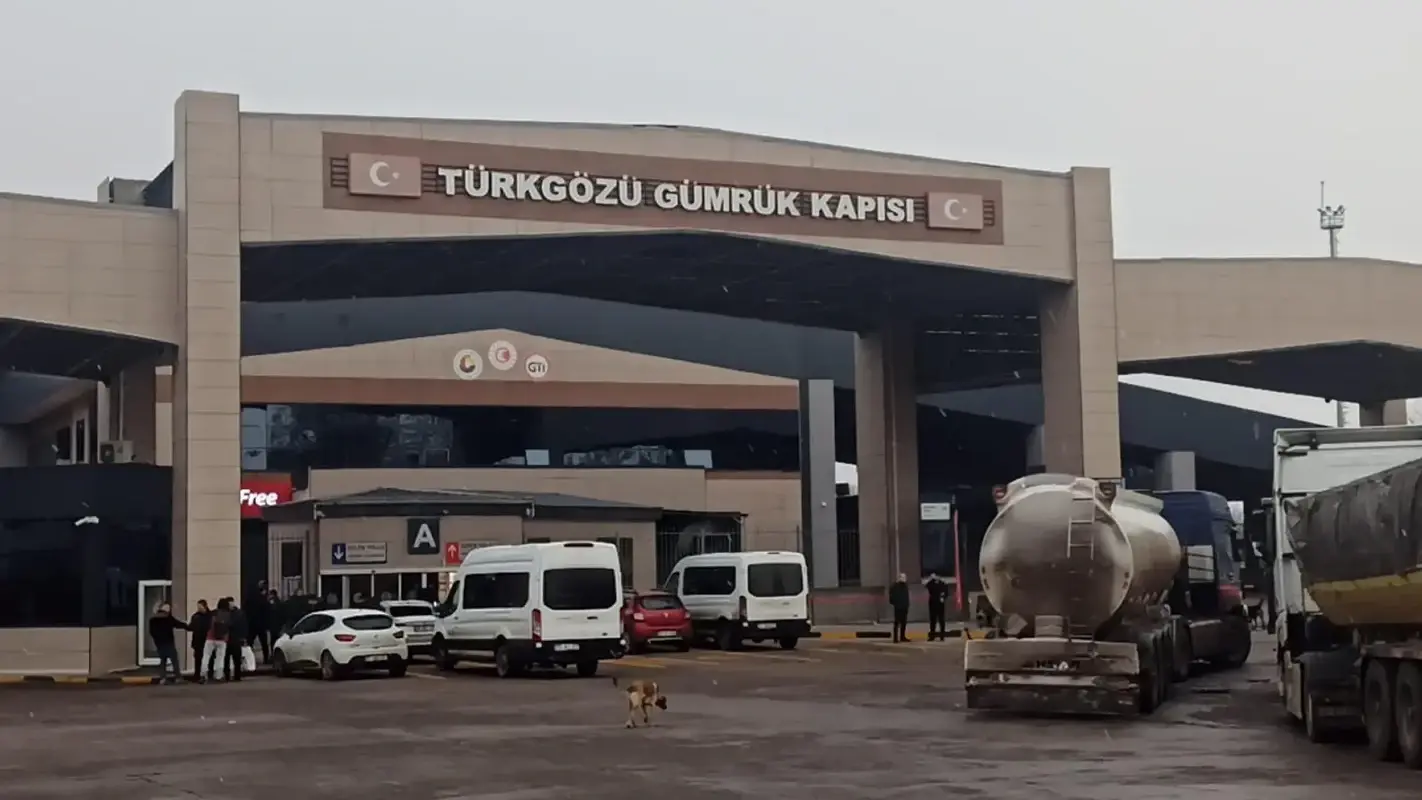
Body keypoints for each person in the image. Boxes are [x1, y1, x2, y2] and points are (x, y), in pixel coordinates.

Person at [148, 602, 187, 684]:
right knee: (174, 660)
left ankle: (163, 678)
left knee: (163, 661)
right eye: (168, 608)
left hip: (159, 643)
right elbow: (177, 624)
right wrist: (188, 626)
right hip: (168, 642)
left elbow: (152, 632)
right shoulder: (168, 618)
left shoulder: (153, 619)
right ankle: (178, 677)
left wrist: (157, 639)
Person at [203, 598, 232, 682]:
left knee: (206, 657)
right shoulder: (228, 615)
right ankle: (219, 676)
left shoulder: (213, 613)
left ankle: (203, 674)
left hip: (210, 638)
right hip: (222, 639)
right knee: (220, 658)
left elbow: (207, 624)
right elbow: (229, 626)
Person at [245, 582, 272, 663]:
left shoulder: (250, 598)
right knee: (264, 643)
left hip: (252, 624)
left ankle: (248, 659)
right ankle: (266, 659)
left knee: (250, 642)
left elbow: (246, 610)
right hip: (261, 624)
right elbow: (267, 612)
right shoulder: (264, 600)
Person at [187, 599, 211, 683]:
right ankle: (197, 675)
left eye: (200, 607)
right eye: (198, 607)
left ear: (205, 606)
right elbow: (191, 627)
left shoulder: (210, 616)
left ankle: (207, 674)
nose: (199, 608)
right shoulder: (195, 616)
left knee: (208, 658)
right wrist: (186, 626)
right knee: (198, 659)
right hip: (197, 640)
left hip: (206, 640)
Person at [225, 598, 249, 682]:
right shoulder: (226, 613)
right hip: (227, 638)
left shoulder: (239, 613)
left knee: (237, 658)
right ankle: (227, 675)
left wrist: (244, 637)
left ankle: (237, 676)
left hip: (236, 638)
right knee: (226, 658)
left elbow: (244, 625)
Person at [922, 572, 949, 641]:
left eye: (938, 576)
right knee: (932, 620)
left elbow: (946, 593)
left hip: (940, 604)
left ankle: (942, 636)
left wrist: (943, 597)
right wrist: (930, 578)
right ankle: (932, 636)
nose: (937, 577)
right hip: (932, 604)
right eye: (936, 576)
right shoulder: (931, 583)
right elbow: (925, 585)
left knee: (941, 620)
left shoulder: (943, 584)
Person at [888, 573, 911, 643]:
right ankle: (895, 638)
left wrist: (907, 604)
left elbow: (906, 596)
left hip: (904, 606)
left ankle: (902, 637)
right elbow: (891, 595)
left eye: (904, 577)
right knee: (897, 622)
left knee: (904, 622)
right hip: (898, 607)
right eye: (902, 577)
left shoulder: (905, 586)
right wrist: (895, 603)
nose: (904, 579)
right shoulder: (895, 586)